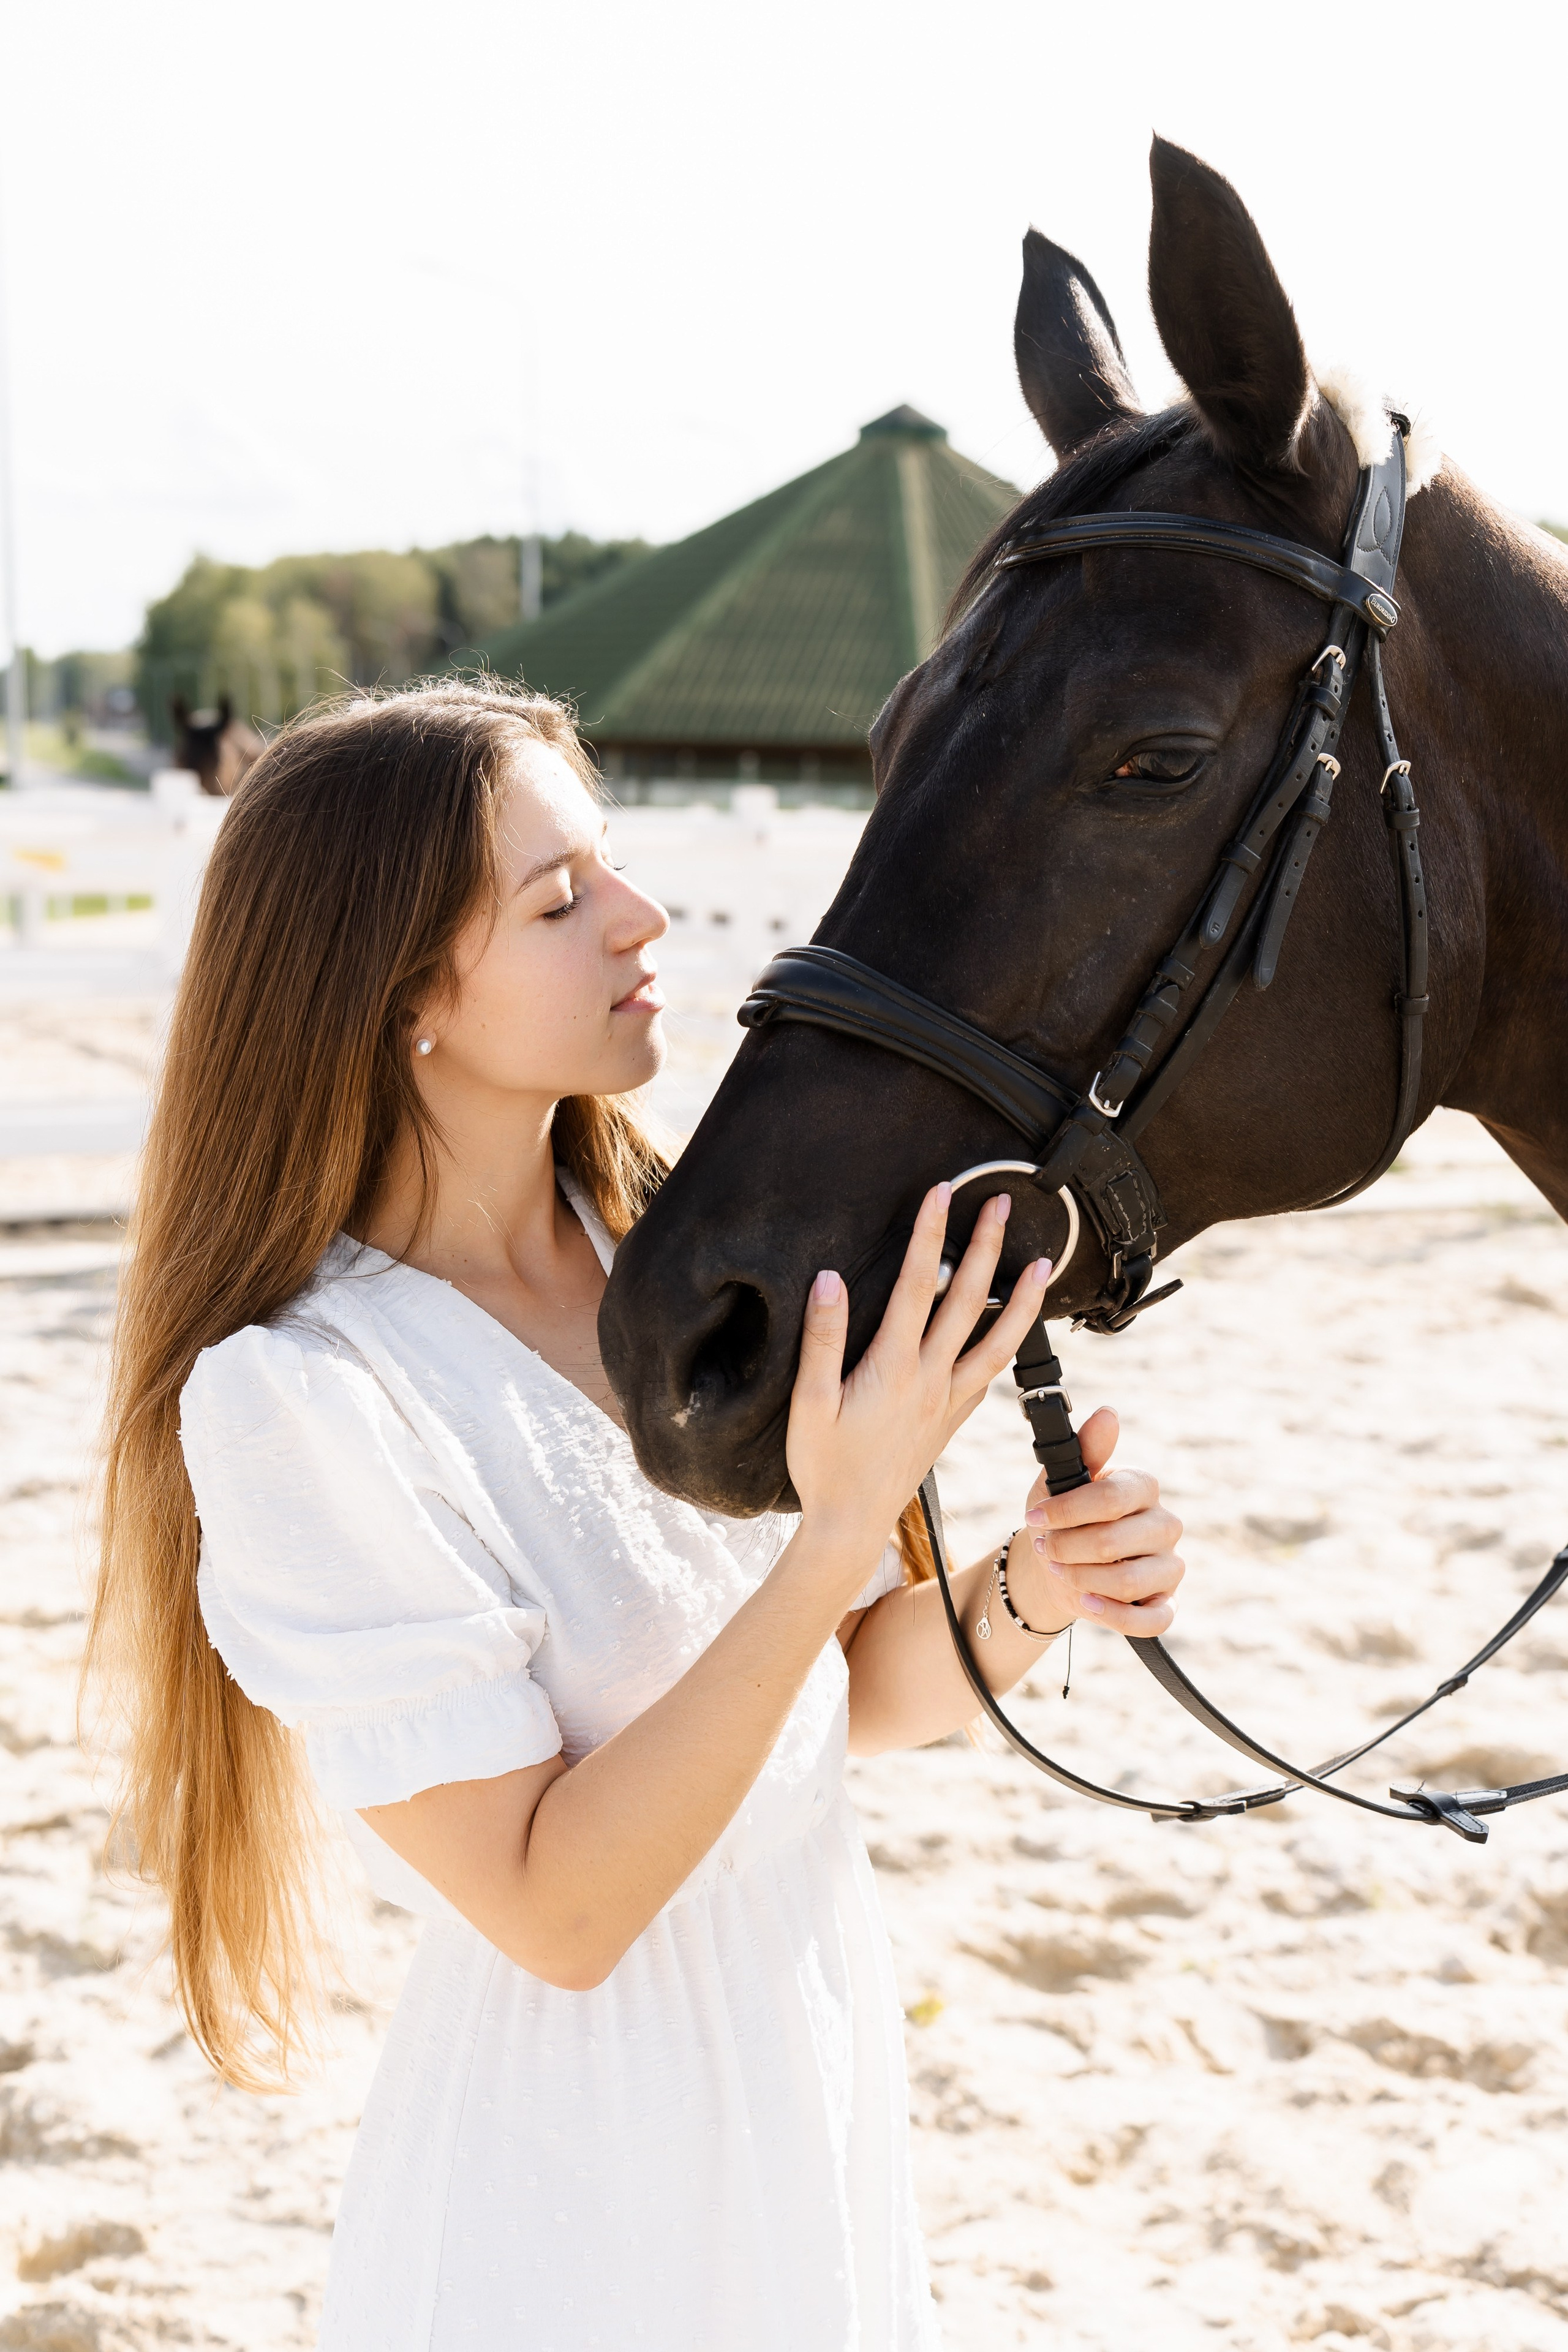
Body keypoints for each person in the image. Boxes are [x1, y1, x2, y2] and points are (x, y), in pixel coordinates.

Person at [89, 680, 1185, 2351]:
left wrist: (1032, 1591)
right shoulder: (301, 1399)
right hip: (573, 2194)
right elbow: (559, 1907)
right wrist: (834, 1530)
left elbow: (833, 1703)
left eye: (606, 867)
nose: (641, 914)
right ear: (401, 1003)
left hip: (810, 2081)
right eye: (559, 898)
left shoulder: (658, 1254)